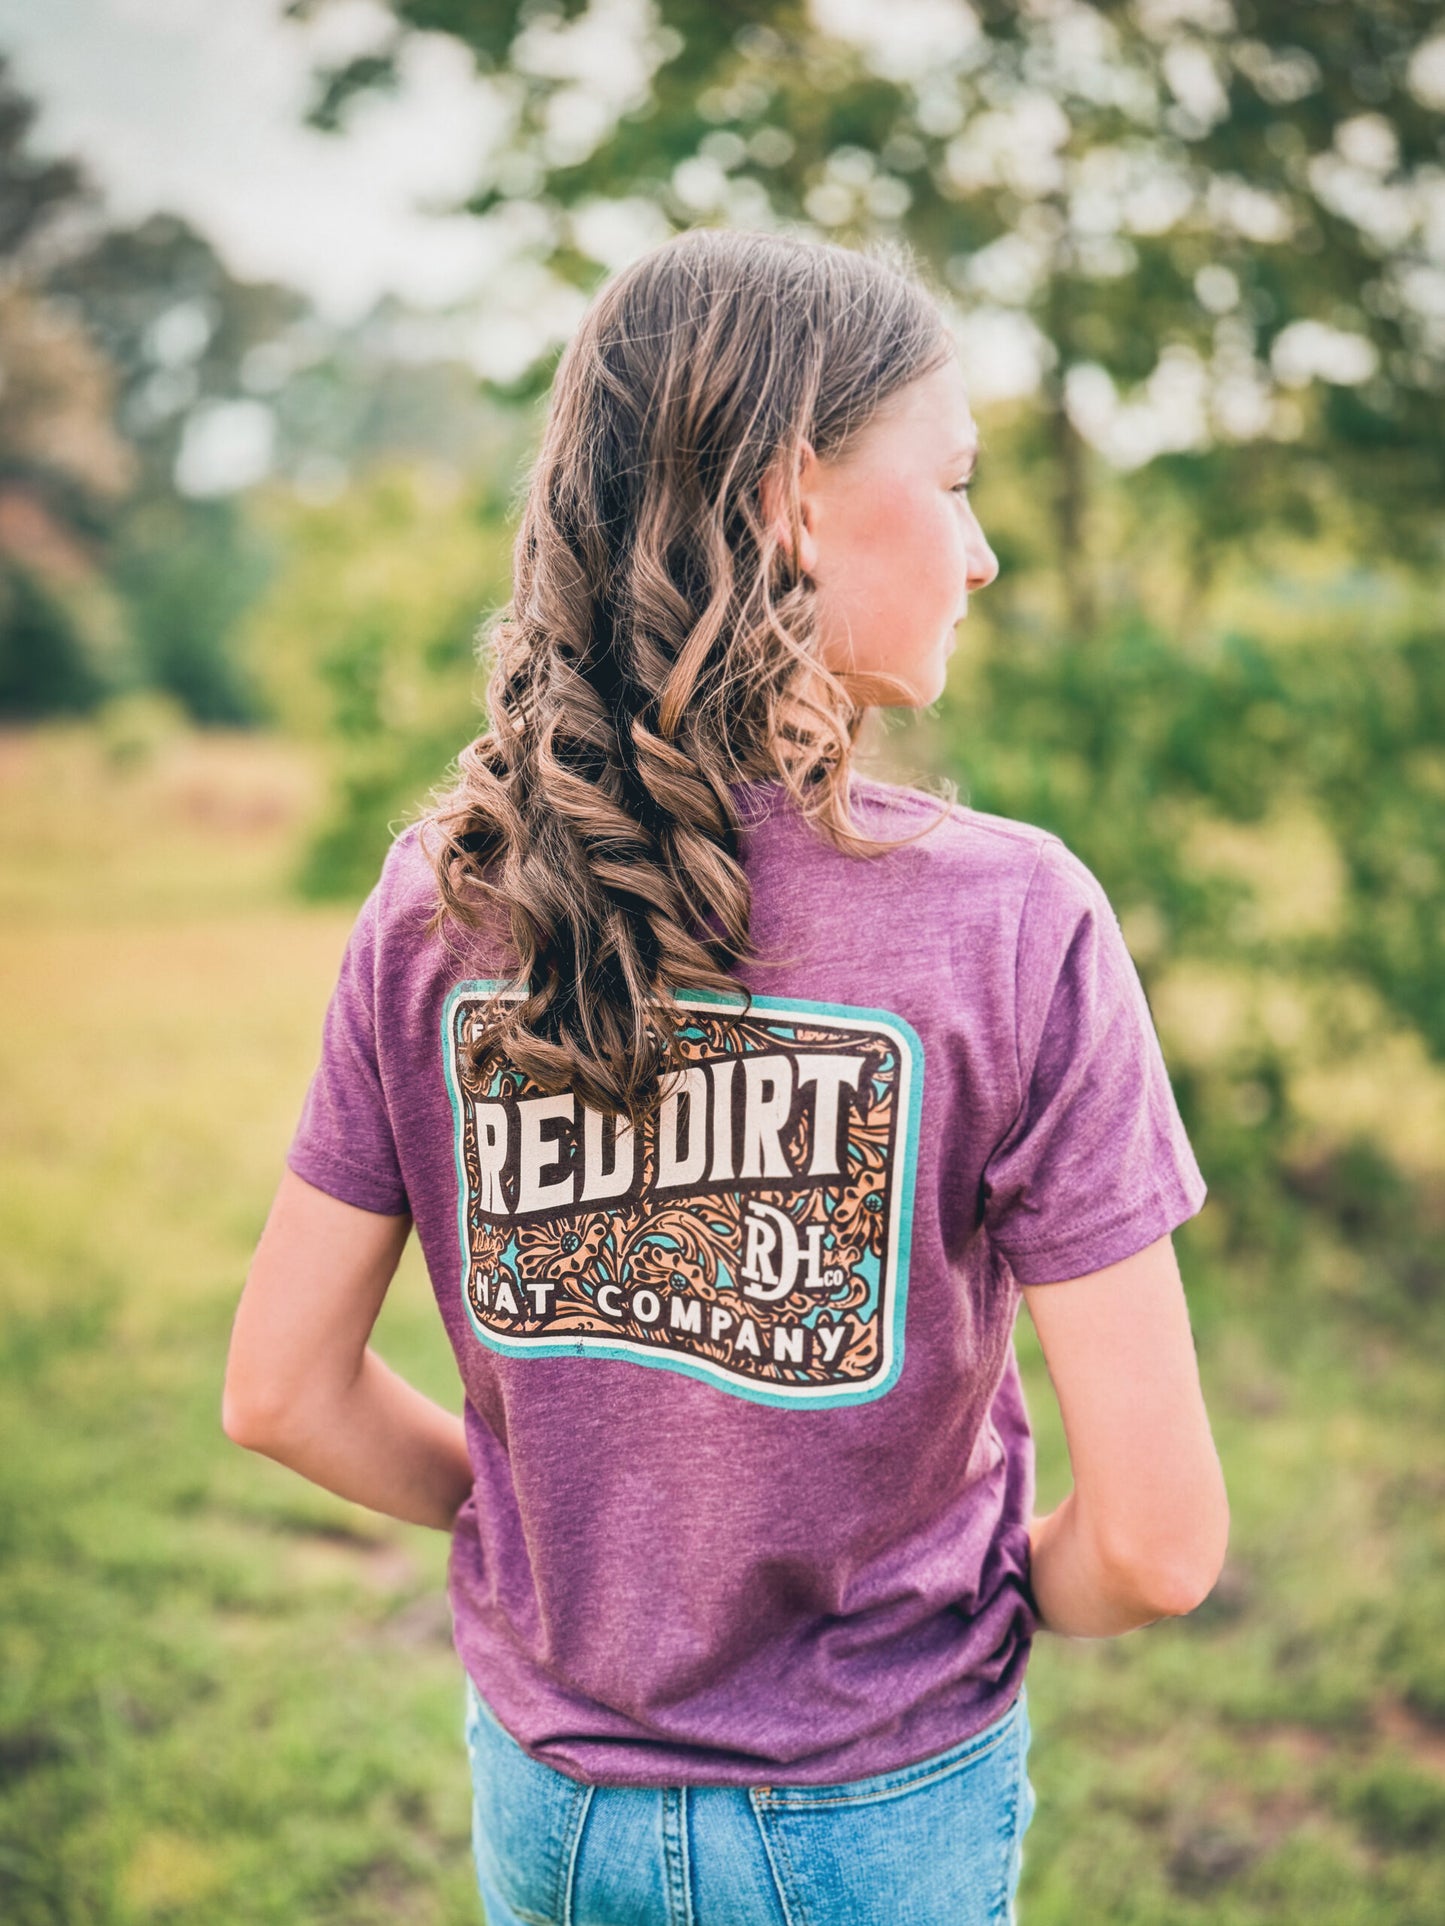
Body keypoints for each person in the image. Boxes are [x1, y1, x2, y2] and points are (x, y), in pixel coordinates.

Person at [223, 226, 1229, 1926]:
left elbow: (279, 1392)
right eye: (955, 483)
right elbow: (1155, 1544)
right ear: (790, 499)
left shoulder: (438, 899)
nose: (978, 555)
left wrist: (556, 1539)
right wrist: (975, 1608)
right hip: (875, 1813)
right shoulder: (1011, 920)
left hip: (548, 1803)